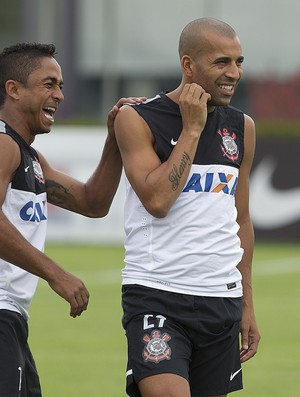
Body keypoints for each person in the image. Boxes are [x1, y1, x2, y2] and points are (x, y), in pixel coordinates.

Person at [114, 17, 261, 397]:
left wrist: (246, 302)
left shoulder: (242, 127)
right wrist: (192, 130)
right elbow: (158, 201)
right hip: (157, 293)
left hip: (221, 299)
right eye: (222, 62)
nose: (234, 73)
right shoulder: (137, 118)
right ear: (188, 65)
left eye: (239, 62)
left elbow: (240, 218)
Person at [0, 42, 145, 397]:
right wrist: (56, 273)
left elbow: (93, 202)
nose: (59, 95)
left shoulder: (29, 156)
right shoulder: (3, 145)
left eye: (61, 85)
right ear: (13, 90)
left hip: (12, 318)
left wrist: (114, 138)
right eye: (48, 84)